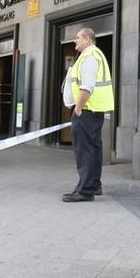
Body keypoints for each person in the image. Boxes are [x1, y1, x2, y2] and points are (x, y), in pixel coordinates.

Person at [60, 27, 115, 202]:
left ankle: (85, 190)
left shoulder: (90, 56)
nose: (75, 41)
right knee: (93, 148)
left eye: (78, 38)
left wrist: (78, 107)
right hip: (93, 109)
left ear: (87, 39)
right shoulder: (94, 55)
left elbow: (87, 86)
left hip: (86, 109)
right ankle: (93, 185)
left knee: (85, 150)